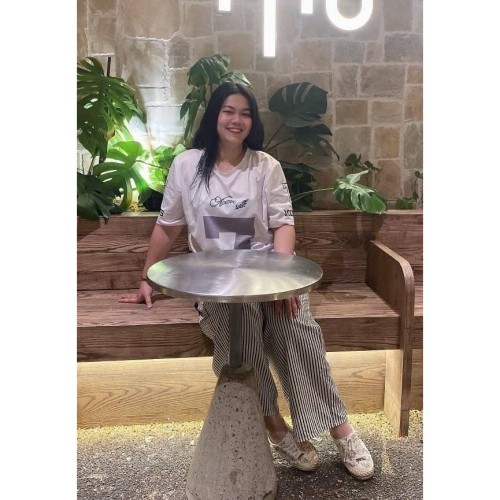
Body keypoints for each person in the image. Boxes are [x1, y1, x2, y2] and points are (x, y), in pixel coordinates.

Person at [119, 82, 374, 480]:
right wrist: (147, 278)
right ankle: (275, 427)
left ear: (252, 121)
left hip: (267, 276)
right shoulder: (187, 165)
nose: (236, 120)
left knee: (296, 327)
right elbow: (167, 227)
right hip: (213, 285)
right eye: (228, 111)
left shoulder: (265, 166)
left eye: (245, 113)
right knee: (239, 337)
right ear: (214, 116)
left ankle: (341, 430)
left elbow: (283, 225)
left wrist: (284, 282)